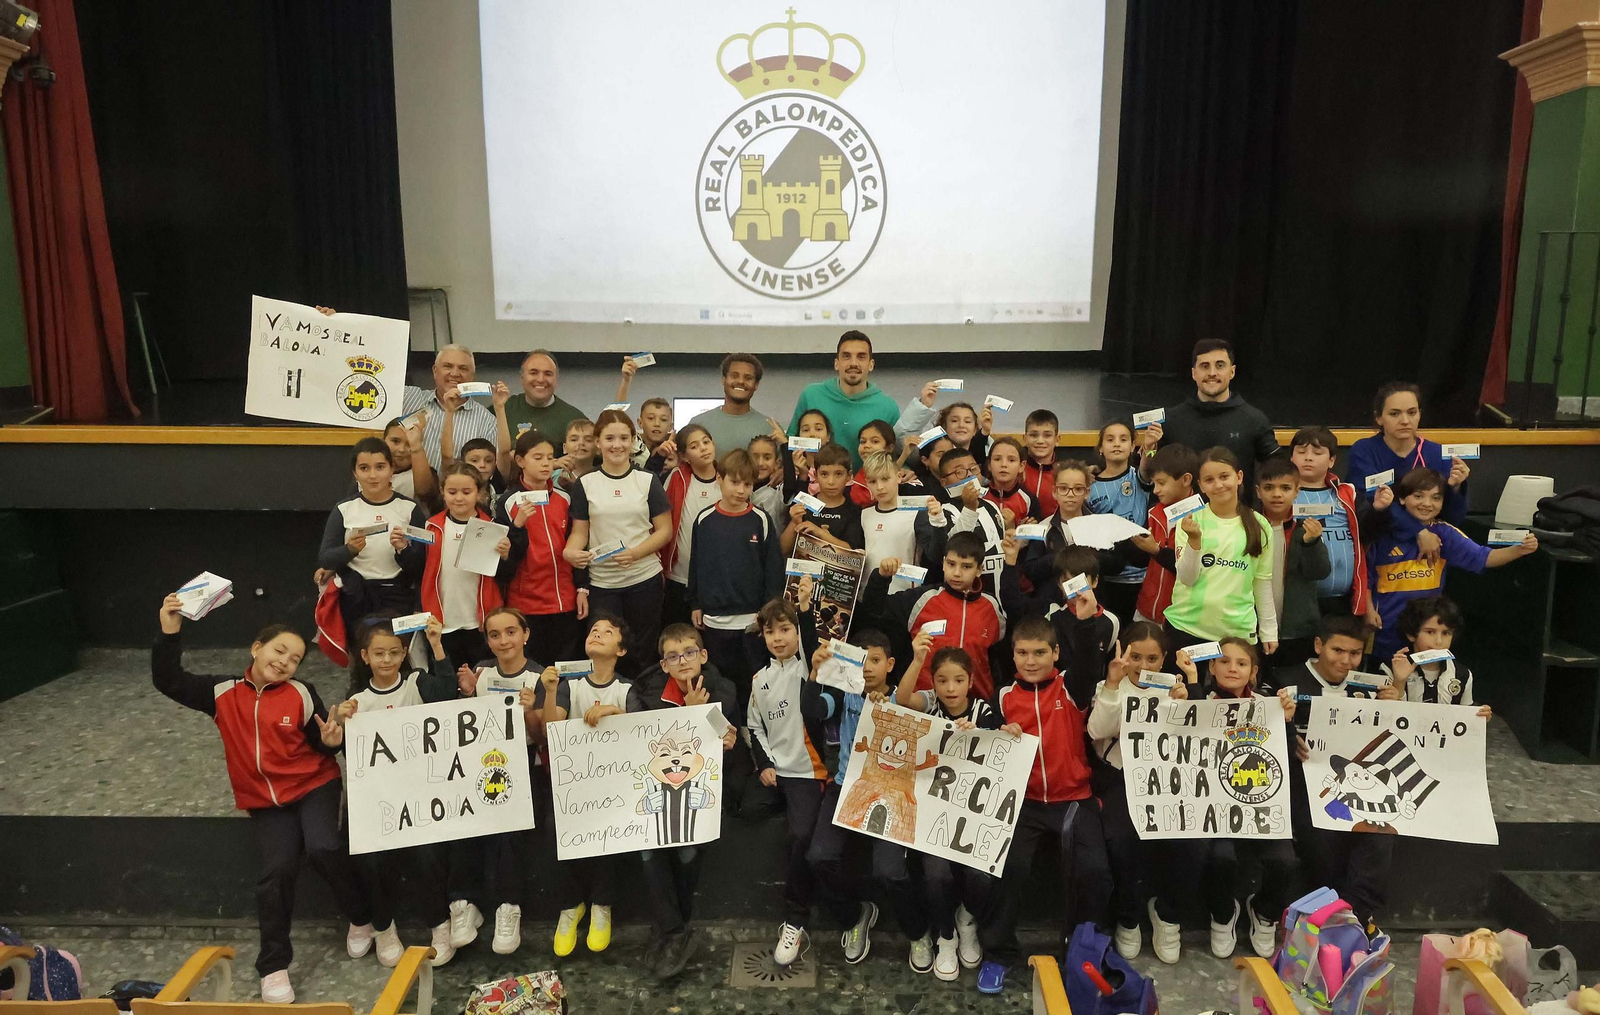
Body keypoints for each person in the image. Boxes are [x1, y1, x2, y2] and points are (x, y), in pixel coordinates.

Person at [151, 596, 371, 1005]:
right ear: (256, 648)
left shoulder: (302, 694)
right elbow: (168, 679)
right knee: (276, 872)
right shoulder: (220, 692)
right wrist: (170, 629)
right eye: (279, 650)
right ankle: (273, 966)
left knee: (324, 847)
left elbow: (322, 747)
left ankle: (362, 919)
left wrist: (330, 743)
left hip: (313, 785)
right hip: (266, 802)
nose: (286, 661)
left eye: (295, 658)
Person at [980, 612, 1109, 995]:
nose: (1030, 661)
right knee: (1006, 868)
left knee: (1095, 872)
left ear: (1056, 653)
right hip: (1025, 803)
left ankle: (1087, 951)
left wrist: (1085, 623)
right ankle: (998, 954)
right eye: (1022, 653)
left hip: (1074, 800)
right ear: (1013, 655)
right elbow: (982, 738)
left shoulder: (1072, 687)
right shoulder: (1003, 696)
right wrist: (996, 731)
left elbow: (1087, 663)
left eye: (1039, 652)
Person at [807, 630, 934, 974]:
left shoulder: (903, 697)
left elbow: (916, 709)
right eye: (860, 661)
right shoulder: (844, 695)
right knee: (818, 857)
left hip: (893, 789)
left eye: (875, 660)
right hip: (848, 784)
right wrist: (814, 674)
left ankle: (917, 932)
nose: (867, 668)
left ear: (890, 664)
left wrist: (916, 662)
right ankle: (855, 916)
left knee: (890, 871)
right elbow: (815, 708)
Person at [334, 616, 459, 967]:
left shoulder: (417, 682)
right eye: (379, 654)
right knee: (368, 858)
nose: (387, 660)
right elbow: (355, 758)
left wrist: (436, 645)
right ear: (364, 656)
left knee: (428, 855)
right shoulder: (357, 700)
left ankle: (439, 923)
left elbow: (450, 694)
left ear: (404, 653)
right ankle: (384, 927)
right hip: (380, 799)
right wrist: (344, 726)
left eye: (394, 653)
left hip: (423, 793)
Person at [1169, 640, 1299, 960]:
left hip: (1259, 803)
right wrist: (1192, 683)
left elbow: (1287, 758)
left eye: (1241, 663)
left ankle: (1263, 911)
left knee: (1285, 860)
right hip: (1212, 804)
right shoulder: (1197, 698)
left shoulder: (1268, 706)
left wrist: (1288, 722)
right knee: (1221, 857)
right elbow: (1192, 732)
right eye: (1224, 661)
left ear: (1253, 672)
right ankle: (1223, 913)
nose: (1232, 668)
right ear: (1212, 667)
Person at [625, 624, 741, 980]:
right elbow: (639, 742)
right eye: (673, 656)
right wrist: (686, 714)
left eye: (690, 653)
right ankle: (674, 931)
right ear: (664, 665)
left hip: (700, 793)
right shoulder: (643, 692)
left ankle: (670, 928)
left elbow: (729, 737)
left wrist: (712, 726)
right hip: (655, 793)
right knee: (649, 851)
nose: (683, 661)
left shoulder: (723, 688)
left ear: (703, 656)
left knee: (687, 852)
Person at [1281, 615, 1403, 933]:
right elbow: (1263, 723)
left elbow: (1396, 734)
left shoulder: (1374, 684)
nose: (1346, 660)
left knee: (1381, 834)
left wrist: (1397, 700)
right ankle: (1324, 909)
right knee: (1320, 835)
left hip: (1362, 783)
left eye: (1354, 653)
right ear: (1319, 645)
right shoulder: (1287, 680)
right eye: (1338, 650)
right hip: (1306, 781)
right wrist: (1287, 732)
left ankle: (1356, 916)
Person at [893, 637, 1000, 979]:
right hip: (934, 812)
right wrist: (917, 660)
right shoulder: (928, 705)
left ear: (970, 681)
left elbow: (1004, 747)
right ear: (933, 682)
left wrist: (986, 733)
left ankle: (966, 920)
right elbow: (901, 700)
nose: (950, 688)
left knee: (980, 875)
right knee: (935, 875)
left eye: (958, 680)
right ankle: (946, 936)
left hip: (974, 814)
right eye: (942, 680)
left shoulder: (984, 709)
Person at [1085, 623, 1188, 961]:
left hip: (1166, 778)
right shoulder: (1108, 685)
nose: (1144, 666)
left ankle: (1168, 913)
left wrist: (1181, 706)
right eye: (1136, 657)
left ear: (1164, 659)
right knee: (1120, 839)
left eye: (1153, 658)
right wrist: (1114, 685)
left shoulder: (1174, 688)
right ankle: (1128, 916)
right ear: (1123, 654)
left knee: (1187, 839)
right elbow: (1098, 730)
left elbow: (1187, 743)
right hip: (1120, 778)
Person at [539, 614, 635, 956]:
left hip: (615, 784)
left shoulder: (626, 689)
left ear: (621, 650)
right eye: (594, 630)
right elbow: (552, 727)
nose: (597, 633)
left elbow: (642, 730)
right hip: (572, 783)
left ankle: (602, 904)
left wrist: (613, 711)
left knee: (609, 828)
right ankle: (570, 905)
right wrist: (549, 692)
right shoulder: (570, 683)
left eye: (607, 632)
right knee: (554, 826)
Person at [1365, 467, 1536, 660]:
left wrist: (1519, 550)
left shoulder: (1445, 533)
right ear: (1402, 499)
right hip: (1383, 630)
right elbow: (1365, 575)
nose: (1427, 504)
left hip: (1427, 634)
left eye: (1436, 498)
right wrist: (1368, 609)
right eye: (1419, 496)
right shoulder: (1381, 533)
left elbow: (1483, 557)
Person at [454, 606, 545, 956]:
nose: (503, 640)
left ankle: (509, 907)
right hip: (480, 764)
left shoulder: (539, 678)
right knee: (459, 819)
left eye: (511, 631)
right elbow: (463, 727)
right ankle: (463, 904)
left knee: (510, 828)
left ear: (525, 635)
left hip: (524, 765)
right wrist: (466, 694)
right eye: (495, 634)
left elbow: (542, 738)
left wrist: (529, 713)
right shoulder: (481, 673)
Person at [747, 585, 830, 967]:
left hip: (806, 773)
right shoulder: (758, 680)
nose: (778, 638)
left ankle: (795, 920)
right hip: (775, 771)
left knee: (801, 837)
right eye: (770, 632)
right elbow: (755, 727)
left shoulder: (809, 668)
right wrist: (763, 764)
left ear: (797, 633)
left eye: (785, 629)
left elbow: (813, 645)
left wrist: (806, 609)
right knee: (741, 809)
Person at [565, 409, 673, 670]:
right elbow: (580, 533)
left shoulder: (647, 481)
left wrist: (636, 553)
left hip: (644, 580)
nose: (617, 445)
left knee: (642, 652)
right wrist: (570, 552)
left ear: (633, 441)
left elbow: (664, 531)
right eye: (610, 438)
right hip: (602, 584)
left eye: (624, 438)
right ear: (598, 442)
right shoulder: (585, 483)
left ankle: (640, 705)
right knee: (605, 655)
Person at [686, 448, 785, 723]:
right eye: (735, 482)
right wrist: (695, 602)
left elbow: (773, 570)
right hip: (715, 622)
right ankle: (723, 736)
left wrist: (767, 611)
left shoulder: (761, 519)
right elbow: (696, 564)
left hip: (752, 622)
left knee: (753, 684)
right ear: (720, 478)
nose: (741, 490)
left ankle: (752, 732)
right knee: (719, 685)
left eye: (748, 484)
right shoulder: (705, 520)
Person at [860, 531, 1006, 700]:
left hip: (975, 708)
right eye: (951, 564)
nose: (957, 573)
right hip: (923, 704)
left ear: (979, 569)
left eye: (966, 566)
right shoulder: (923, 599)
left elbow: (1000, 658)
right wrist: (881, 577)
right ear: (943, 563)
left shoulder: (992, 607)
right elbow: (873, 610)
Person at [1164, 448, 1277, 654]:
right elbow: (1187, 578)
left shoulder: (1260, 526)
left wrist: (1269, 631)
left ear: (1239, 477)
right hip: (1186, 627)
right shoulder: (1189, 521)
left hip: (1236, 634)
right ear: (1201, 486)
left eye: (1224, 476)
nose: (1218, 485)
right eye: (1209, 480)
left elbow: (1262, 581)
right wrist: (1195, 540)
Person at [317, 438, 428, 642]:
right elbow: (325, 558)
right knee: (362, 658)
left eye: (380, 467)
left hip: (398, 596)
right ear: (355, 473)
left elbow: (423, 566)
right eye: (364, 468)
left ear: (392, 469)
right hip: (357, 596)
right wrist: (349, 550)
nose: (373, 475)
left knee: (398, 656)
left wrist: (404, 550)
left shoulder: (409, 509)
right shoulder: (344, 509)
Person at [495, 429, 586, 665]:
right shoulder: (508, 501)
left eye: (550, 457)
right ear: (520, 461)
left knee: (563, 670)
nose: (546, 464)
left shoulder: (566, 497)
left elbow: (579, 543)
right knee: (533, 673)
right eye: (538, 457)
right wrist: (517, 526)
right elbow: (505, 560)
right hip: (526, 604)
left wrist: (582, 588)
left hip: (563, 600)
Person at [1142, 339, 1278, 492]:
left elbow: (1278, 474)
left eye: (1220, 366)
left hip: (1238, 514)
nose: (1212, 373)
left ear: (1232, 371)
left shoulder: (1254, 420)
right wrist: (1149, 449)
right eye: (1204, 366)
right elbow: (1147, 479)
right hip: (1185, 516)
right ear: (1194, 373)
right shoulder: (1171, 420)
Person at [1288, 426, 1371, 642]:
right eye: (1301, 451)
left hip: (1345, 600)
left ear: (1332, 460)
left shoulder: (1347, 493)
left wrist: (1379, 508)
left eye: (1317, 453)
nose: (1308, 458)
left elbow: (1372, 532)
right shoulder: (1283, 496)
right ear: (1291, 456)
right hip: (1303, 602)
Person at [420, 463, 507, 668]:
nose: (459, 498)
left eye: (466, 492)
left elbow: (504, 575)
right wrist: (402, 549)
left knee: (480, 679)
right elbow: (418, 569)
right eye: (452, 492)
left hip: (481, 622)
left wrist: (505, 555)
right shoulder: (431, 527)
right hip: (443, 620)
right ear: (442, 492)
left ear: (479, 492)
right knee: (448, 681)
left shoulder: (492, 528)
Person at [1346, 382, 1470, 523]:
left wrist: (1454, 488)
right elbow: (1367, 507)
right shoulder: (1364, 451)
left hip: (1434, 536)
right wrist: (1417, 532)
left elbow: (1455, 518)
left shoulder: (1438, 454)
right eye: (1395, 414)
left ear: (1420, 415)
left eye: (1412, 413)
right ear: (1379, 418)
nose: (1405, 421)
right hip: (1383, 536)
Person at [788, 332, 905, 468]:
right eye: (846, 356)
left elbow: (895, 456)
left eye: (861, 357)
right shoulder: (811, 395)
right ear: (837, 363)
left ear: (871, 365)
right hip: (815, 486)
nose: (853, 363)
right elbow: (792, 442)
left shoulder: (888, 407)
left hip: (869, 487)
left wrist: (905, 470)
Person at [1255, 457, 1331, 664]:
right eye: (1269, 487)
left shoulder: (1305, 528)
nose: (1277, 494)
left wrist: (1311, 543)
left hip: (1297, 631)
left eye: (1285, 488)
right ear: (1258, 491)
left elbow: (1320, 572)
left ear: (1297, 491)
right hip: (1252, 628)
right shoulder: (1247, 526)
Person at [1089, 419, 1154, 624]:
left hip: (1142, 576)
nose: (1117, 444)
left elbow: (1148, 465)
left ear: (1133, 446)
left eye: (1123, 439)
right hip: (1109, 577)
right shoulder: (1090, 487)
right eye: (1110, 439)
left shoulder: (1138, 476)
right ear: (1101, 448)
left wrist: (1150, 446)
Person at [1382, 596, 1491, 717]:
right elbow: (1384, 717)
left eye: (1446, 633)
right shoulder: (1389, 669)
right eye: (1430, 632)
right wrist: (1399, 682)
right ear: (1411, 634)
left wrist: (1479, 717)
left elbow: (1464, 718)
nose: (1439, 641)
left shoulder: (1462, 674)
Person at [401, 346, 503, 472]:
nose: (455, 373)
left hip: (459, 490)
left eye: (463, 368)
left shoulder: (487, 422)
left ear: (472, 376)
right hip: (406, 489)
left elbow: (490, 471)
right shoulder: (408, 397)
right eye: (448, 366)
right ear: (435, 371)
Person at [659, 424, 721, 628]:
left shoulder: (728, 479)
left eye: (706, 442)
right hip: (679, 577)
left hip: (716, 579)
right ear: (684, 456)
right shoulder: (676, 478)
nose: (703, 448)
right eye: (695, 446)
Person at [1130, 444, 1198, 626]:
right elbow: (1141, 560)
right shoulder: (1154, 512)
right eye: (1154, 483)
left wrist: (1156, 550)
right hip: (1146, 609)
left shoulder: (1203, 518)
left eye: (1161, 483)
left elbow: (1192, 569)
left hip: (1180, 618)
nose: (1155, 490)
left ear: (1185, 480)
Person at [858, 450, 942, 585]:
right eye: (873, 481)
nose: (879, 487)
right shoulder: (864, 514)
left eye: (885, 479)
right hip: (869, 595)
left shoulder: (916, 514)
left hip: (904, 595)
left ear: (898, 477)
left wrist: (939, 523)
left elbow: (935, 555)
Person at [690, 353, 784, 455]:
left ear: (756, 385)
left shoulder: (770, 428)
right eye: (734, 376)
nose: (740, 381)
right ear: (723, 379)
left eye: (748, 378)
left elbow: (782, 468)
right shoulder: (698, 424)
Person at [781, 442, 864, 553]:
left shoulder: (854, 511)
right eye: (824, 474)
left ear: (849, 476)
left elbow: (854, 553)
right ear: (815, 475)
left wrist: (819, 532)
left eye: (838, 474)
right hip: (804, 569)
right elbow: (782, 550)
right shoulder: (803, 506)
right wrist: (794, 522)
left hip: (837, 569)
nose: (831, 482)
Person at [501, 350, 589, 451]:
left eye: (548, 374)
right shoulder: (503, 409)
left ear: (556, 379)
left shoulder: (573, 418)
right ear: (522, 378)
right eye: (533, 373)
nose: (541, 379)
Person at [380, 415, 435, 507]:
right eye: (395, 441)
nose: (401, 449)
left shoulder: (425, 474)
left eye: (409, 443)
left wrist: (416, 446)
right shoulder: (369, 470)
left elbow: (425, 493)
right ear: (383, 441)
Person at [984, 437, 1041, 524]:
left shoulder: (1030, 500)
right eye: (997, 459)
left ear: (1021, 466)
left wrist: (1015, 528)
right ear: (989, 465)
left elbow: (1032, 535)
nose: (1004, 465)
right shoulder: (979, 496)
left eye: (1011, 460)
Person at [1021, 409, 1061, 518]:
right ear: (1025, 439)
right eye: (1034, 435)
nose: (1040, 441)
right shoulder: (1016, 470)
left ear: (1057, 439)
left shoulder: (1063, 473)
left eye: (1047, 435)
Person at [748, 432, 787, 523]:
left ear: (777, 463)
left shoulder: (778, 491)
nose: (760, 463)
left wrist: (785, 444)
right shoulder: (739, 486)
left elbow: (791, 483)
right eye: (755, 457)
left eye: (767, 458)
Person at [630, 398, 676, 470]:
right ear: (640, 423)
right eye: (651, 418)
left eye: (663, 419)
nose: (657, 424)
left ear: (671, 426)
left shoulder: (675, 451)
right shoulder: (630, 444)